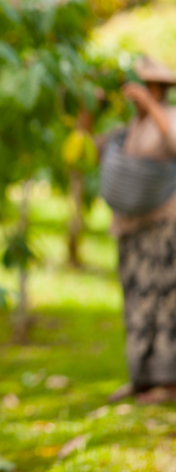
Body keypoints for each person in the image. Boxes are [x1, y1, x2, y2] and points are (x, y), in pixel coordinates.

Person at [106, 56, 176, 404]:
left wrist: (152, 108)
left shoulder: (169, 117)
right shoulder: (128, 126)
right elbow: (88, 151)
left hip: (164, 226)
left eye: (147, 87)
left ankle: (169, 381)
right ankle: (141, 378)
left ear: (158, 89)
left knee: (165, 301)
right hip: (130, 228)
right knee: (136, 301)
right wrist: (88, 110)